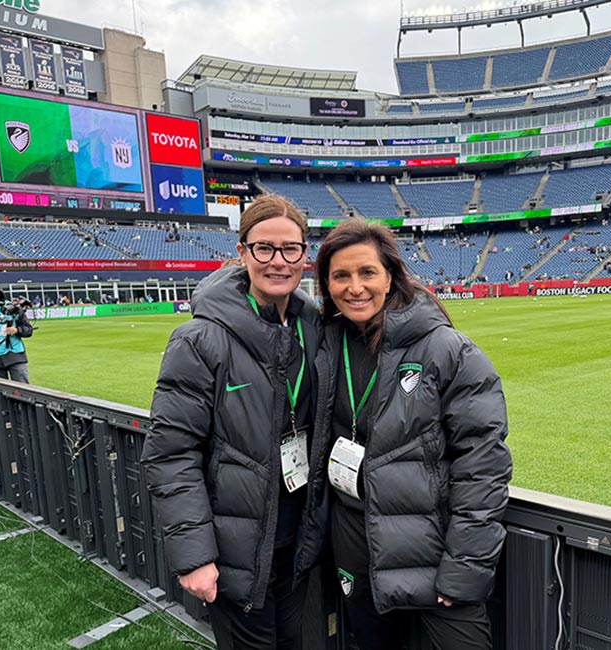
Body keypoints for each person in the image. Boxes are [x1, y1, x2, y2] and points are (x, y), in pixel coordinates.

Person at [303, 218, 512, 650]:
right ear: (325, 284)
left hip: (435, 552)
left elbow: (484, 465)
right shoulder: (326, 343)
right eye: (340, 275)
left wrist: (463, 566)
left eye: (367, 273)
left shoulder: (446, 349)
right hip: (355, 545)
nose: (354, 287)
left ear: (390, 276)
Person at [141, 194, 320, 650]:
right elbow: (170, 453)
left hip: (295, 545)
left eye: (290, 249)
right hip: (235, 553)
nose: (277, 261)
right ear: (241, 252)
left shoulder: (313, 328)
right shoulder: (199, 340)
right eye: (264, 248)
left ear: (305, 255)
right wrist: (195, 557)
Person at [0, 287, 33, 384]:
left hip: (15, 355)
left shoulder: (13, 308)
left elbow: (29, 330)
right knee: (0, 395)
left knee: (23, 391)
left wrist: (16, 330)